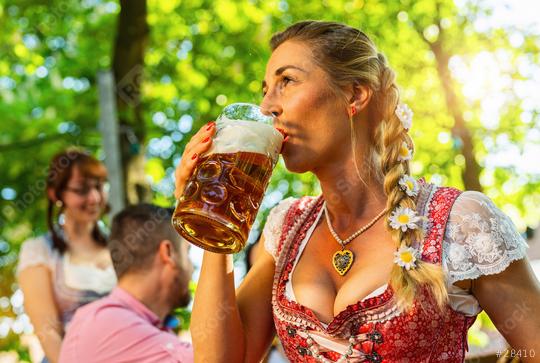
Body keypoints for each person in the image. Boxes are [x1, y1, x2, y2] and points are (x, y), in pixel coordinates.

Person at [176, 21, 540, 362]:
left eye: (287, 81)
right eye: (266, 89)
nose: (268, 107)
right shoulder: (285, 230)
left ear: (355, 94)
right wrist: (214, 217)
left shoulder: (460, 222)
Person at [59, 204, 194, 363]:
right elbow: (214, 357)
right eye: (187, 252)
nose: (193, 267)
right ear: (168, 253)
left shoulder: (109, 321)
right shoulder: (108, 323)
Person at [17, 149, 116, 363]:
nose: (94, 198)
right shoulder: (39, 251)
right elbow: (48, 332)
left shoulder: (121, 248)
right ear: (56, 194)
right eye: (81, 190)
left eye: (99, 187)